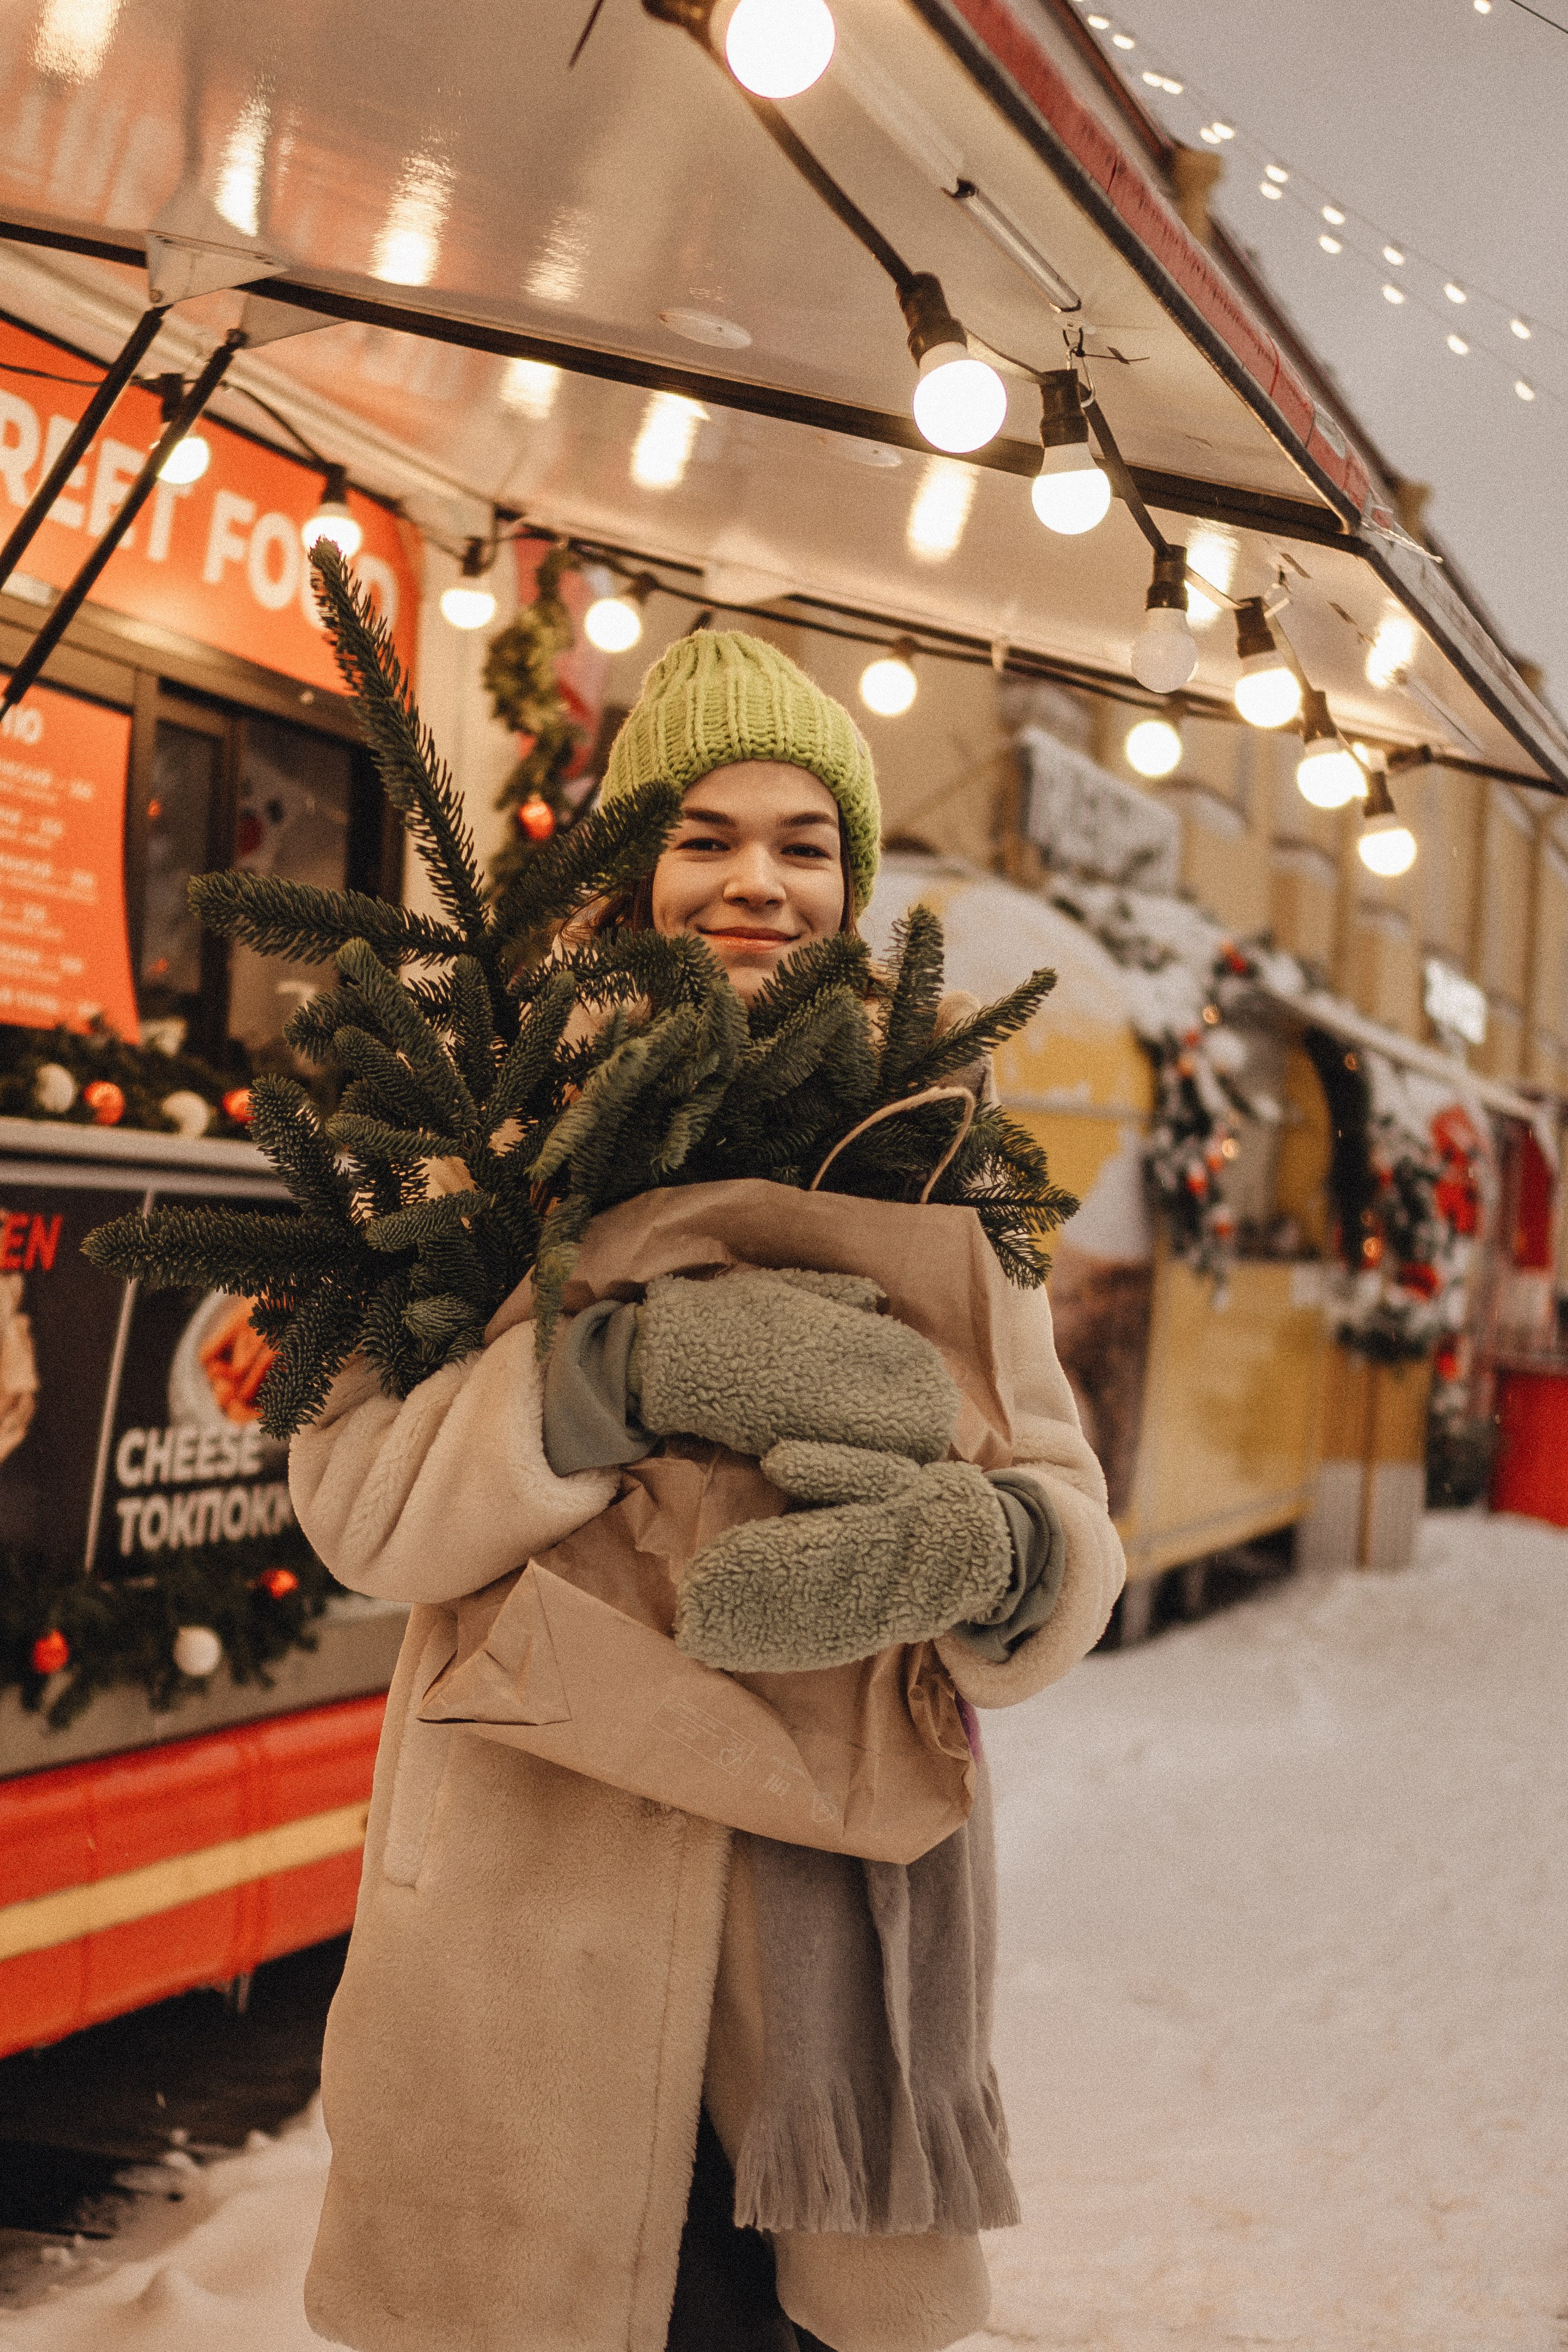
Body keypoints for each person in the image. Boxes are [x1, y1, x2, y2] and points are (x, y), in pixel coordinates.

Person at [291, 631, 1126, 2352]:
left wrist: (1002, 1547)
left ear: (855, 878)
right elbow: (361, 1506)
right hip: (529, 1944)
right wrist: (614, 1380)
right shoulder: (480, 1127)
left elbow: (1063, 1503)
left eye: (806, 841)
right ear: (626, 870)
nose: (760, 881)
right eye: (706, 834)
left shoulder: (939, 1156)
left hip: (827, 1954)